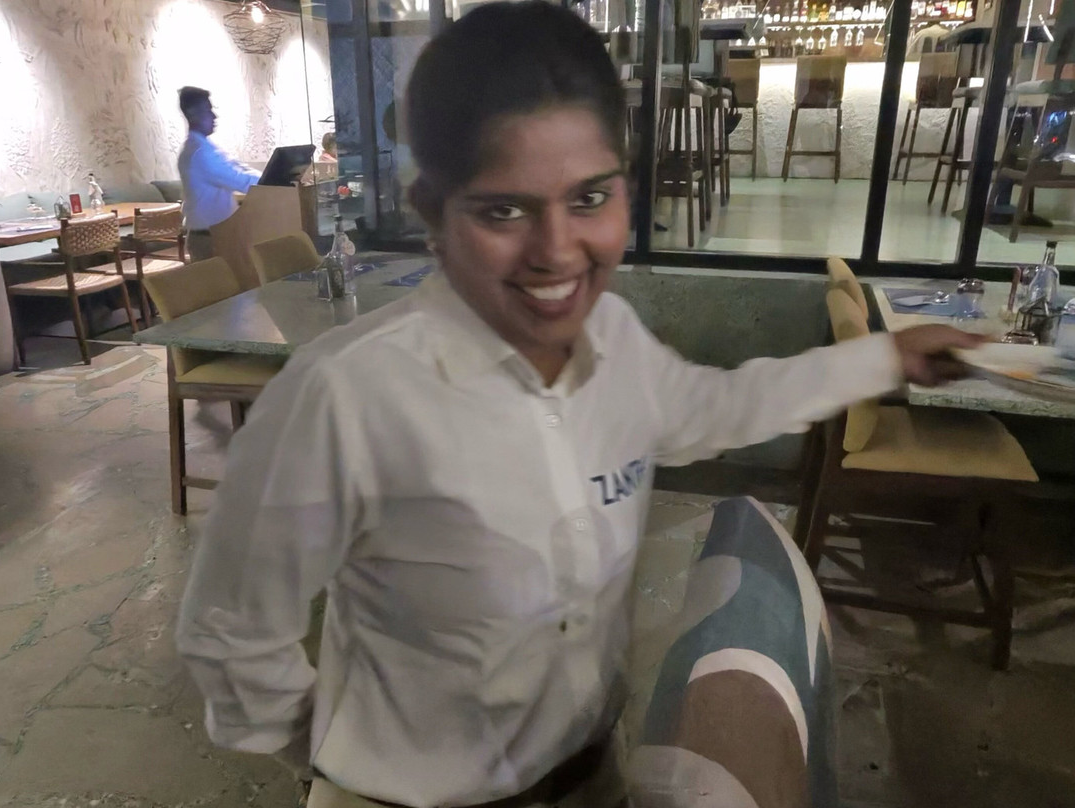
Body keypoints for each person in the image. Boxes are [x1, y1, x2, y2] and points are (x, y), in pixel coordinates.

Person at [175, 4, 982, 808]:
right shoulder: (345, 397)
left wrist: (885, 357)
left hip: (595, 777)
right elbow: (229, 632)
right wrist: (341, 766)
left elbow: (721, 406)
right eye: (503, 210)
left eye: (591, 198)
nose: (558, 253)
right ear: (431, 211)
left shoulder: (614, 340)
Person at [176, 86, 261, 260]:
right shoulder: (200, 153)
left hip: (213, 234)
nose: (214, 116)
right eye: (208, 111)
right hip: (210, 239)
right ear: (193, 114)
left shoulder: (203, 147)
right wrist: (275, 179)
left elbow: (238, 167)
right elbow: (242, 181)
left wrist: (272, 175)